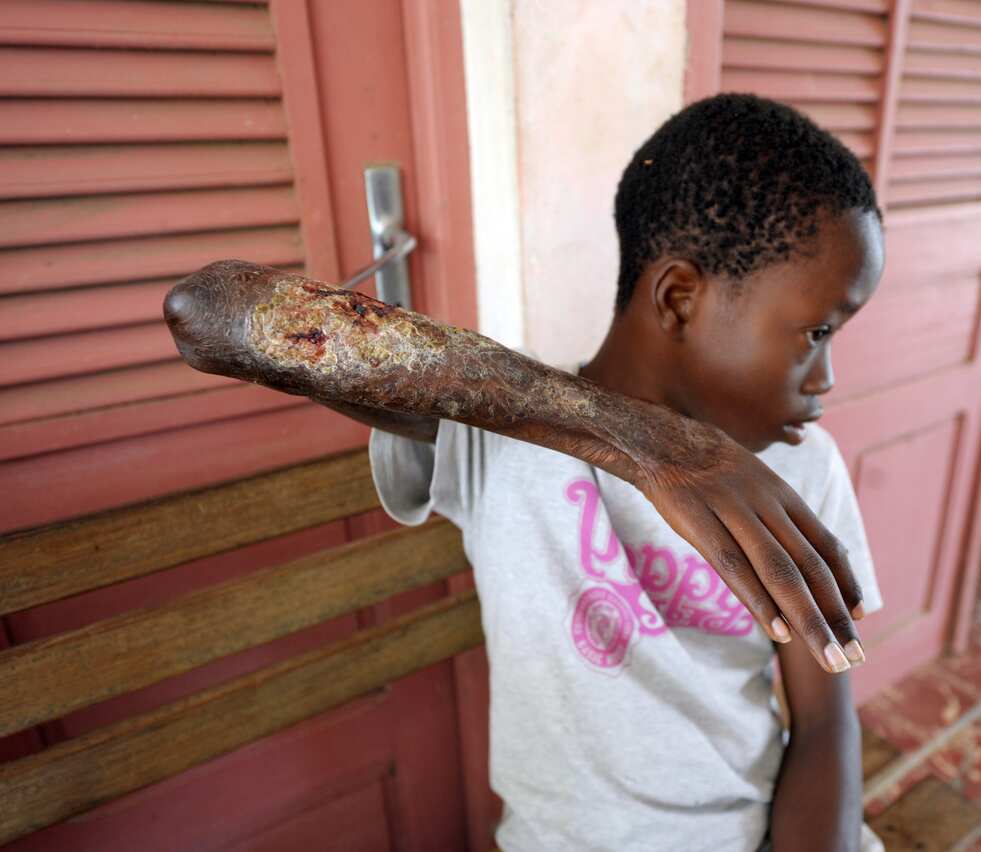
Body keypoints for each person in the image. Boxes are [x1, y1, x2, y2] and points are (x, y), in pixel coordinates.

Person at [164, 92, 886, 851]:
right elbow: (213, 313)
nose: (827, 376)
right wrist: (650, 446)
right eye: (817, 331)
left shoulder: (808, 468)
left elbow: (827, 714)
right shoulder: (498, 438)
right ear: (679, 297)